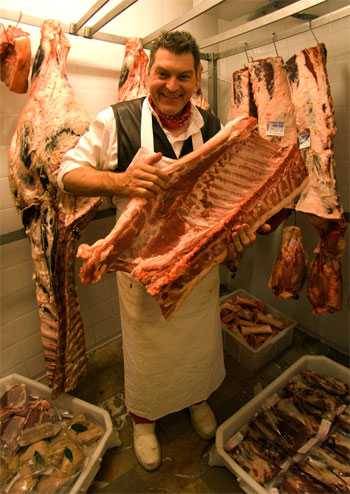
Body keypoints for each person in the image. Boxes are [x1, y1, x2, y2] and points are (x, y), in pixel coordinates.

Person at [57, 31, 260, 471]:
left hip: (199, 265)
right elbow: (67, 172)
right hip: (144, 269)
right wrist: (121, 182)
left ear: (197, 77)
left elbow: (224, 200)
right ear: (149, 72)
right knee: (148, 351)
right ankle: (144, 418)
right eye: (163, 74)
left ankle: (196, 399)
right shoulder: (117, 121)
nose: (172, 86)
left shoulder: (210, 125)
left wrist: (235, 231)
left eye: (183, 76)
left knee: (200, 343)